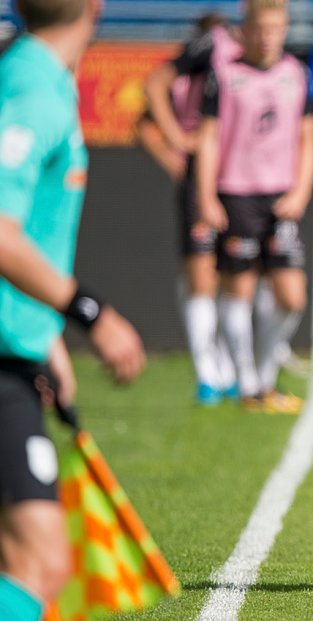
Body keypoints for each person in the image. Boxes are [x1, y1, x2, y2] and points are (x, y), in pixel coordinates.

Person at [0, 0, 147, 617]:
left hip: (16, 349)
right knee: (40, 560)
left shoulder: (35, 76)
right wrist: (92, 313)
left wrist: (48, 339)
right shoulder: (34, 87)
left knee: (37, 560)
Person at [195, 0, 313, 414]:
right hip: (236, 193)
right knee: (239, 290)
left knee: (292, 297)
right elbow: (208, 137)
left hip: (280, 196)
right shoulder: (225, 74)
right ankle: (248, 384)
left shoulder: (296, 74)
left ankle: (264, 377)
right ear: (245, 30)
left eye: (275, 29)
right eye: (260, 29)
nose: (268, 37)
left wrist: (300, 191)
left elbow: (308, 138)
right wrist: (207, 194)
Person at [142, 12, 241, 405]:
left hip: (236, 177)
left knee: (231, 276)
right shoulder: (213, 46)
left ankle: (229, 367)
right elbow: (151, 99)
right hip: (206, 173)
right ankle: (209, 373)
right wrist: (180, 147)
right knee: (201, 276)